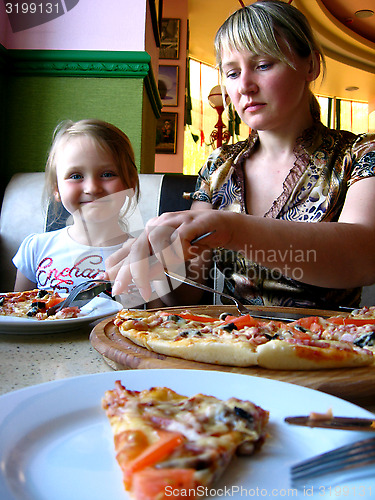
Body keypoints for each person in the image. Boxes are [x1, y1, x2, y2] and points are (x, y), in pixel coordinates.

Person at [106, 0, 375, 310]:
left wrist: (235, 229)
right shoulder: (220, 166)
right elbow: (188, 294)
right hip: (239, 342)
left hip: (330, 345)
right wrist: (154, 272)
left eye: (263, 65)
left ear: (310, 66)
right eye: (232, 73)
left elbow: (365, 255)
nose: (245, 86)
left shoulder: (359, 154)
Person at [13, 118, 162, 308]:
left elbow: (157, 323)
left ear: (130, 183)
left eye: (107, 174)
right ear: (56, 189)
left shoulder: (144, 254)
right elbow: (17, 313)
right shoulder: (35, 249)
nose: (92, 188)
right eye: (76, 176)